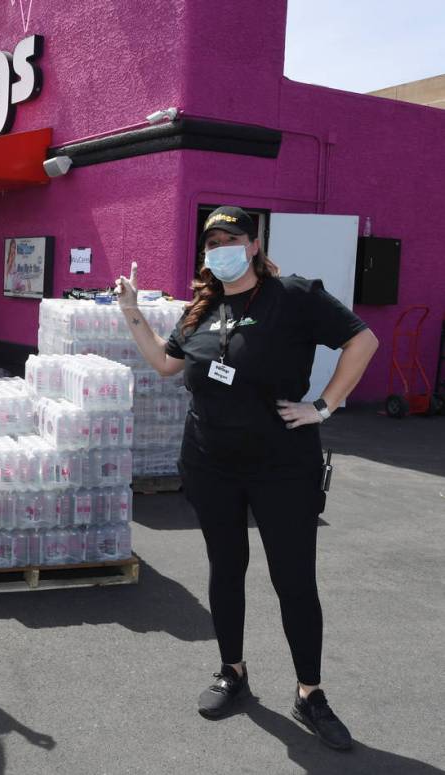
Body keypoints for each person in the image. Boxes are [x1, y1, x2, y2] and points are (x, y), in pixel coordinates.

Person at [114, 206, 378, 750]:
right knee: (225, 568)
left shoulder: (295, 296)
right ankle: (231, 671)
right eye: (211, 241)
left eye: (231, 238)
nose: (219, 249)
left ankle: (311, 693)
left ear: (253, 245)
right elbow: (167, 366)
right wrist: (130, 312)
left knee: (294, 579)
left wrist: (324, 407)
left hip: (282, 465)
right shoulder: (199, 311)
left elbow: (363, 341)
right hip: (211, 462)